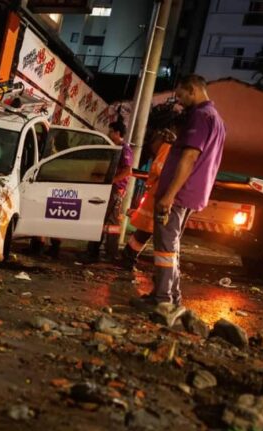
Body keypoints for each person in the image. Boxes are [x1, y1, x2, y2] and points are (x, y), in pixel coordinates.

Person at [137, 74, 226, 325]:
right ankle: (169, 296)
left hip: (179, 194)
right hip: (192, 193)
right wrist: (176, 142)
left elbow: (190, 158)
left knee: (165, 246)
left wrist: (168, 195)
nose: (179, 100)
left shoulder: (199, 116)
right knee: (171, 245)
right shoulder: (217, 119)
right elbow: (199, 153)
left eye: (181, 95)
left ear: (193, 90)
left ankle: (163, 299)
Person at [120, 126, 178, 270]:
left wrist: (150, 183)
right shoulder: (170, 149)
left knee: (145, 231)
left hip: (157, 194)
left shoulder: (166, 148)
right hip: (158, 195)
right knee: (146, 231)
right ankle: (128, 258)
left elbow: (157, 168)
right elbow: (159, 169)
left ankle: (128, 257)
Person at [83, 120, 132, 262]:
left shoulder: (124, 149)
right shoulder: (113, 147)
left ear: (117, 133)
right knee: (101, 219)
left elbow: (127, 170)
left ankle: (110, 254)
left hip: (115, 189)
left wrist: (113, 180)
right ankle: (93, 251)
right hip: (108, 188)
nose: (108, 134)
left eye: (111, 131)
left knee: (111, 222)